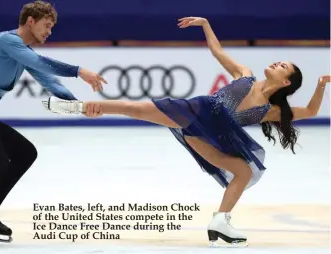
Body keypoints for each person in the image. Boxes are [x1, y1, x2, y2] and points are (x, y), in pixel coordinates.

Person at [43, 17, 330, 247]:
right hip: (195, 114)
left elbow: (312, 112)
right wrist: (205, 24)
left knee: (243, 171)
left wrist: (320, 85)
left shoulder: (271, 110)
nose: (277, 63)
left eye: (284, 67)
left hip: (207, 137)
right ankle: (78, 107)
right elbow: (217, 52)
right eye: (279, 61)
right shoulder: (244, 74)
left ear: (286, 82)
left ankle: (220, 221)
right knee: (134, 108)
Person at [0, 0, 107, 247]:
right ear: (31, 20)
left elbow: (50, 81)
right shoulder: (6, 41)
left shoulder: (23, 54)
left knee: (25, 153)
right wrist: (80, 70)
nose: (49, 32)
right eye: (46, 25)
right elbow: (42, 64)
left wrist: (79, 106)